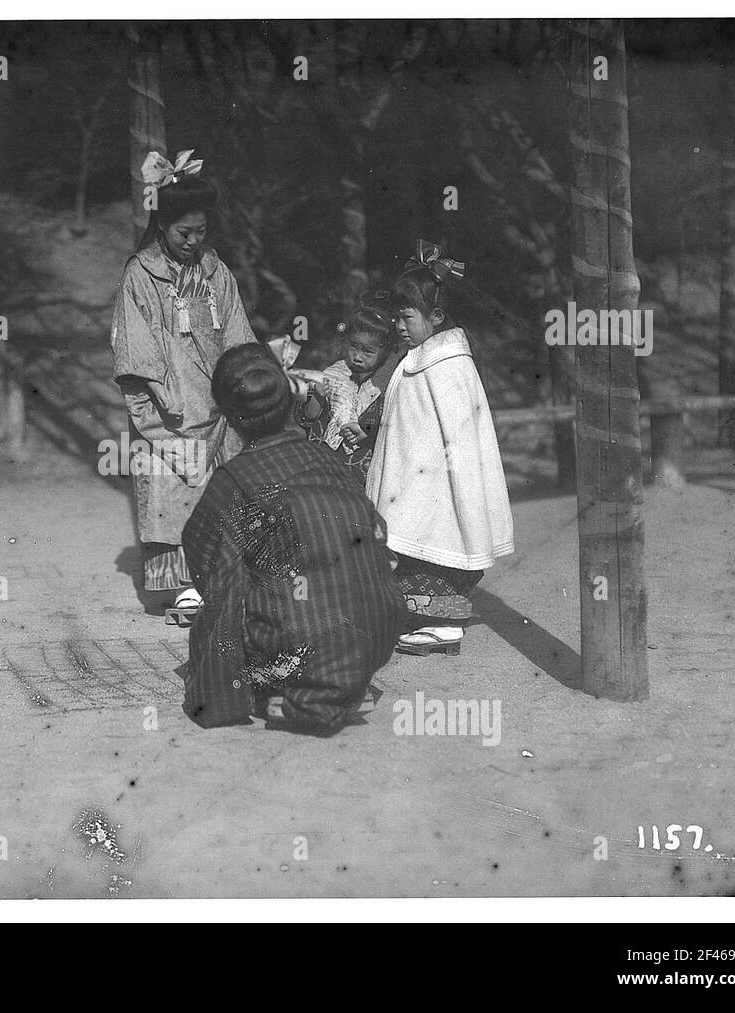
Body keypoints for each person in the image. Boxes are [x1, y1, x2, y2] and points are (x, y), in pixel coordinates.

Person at [182, 345, 404, 735]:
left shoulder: (234, 479)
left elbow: (204, 558)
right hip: (376, 631)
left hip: (300, 641)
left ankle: (284, 693)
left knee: (223, 593)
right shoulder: (328, 459)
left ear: (232, 419)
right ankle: (339, 680)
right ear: (288, 405)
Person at [109, 148, 260, 623]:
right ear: (160, 226)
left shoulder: (217, 272)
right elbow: (137, 353)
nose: (193, 242)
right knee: (172, 493)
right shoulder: (142, 275)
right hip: (169, 411)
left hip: (218, 407)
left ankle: (217, 579)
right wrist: (165, 405)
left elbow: (237, 336)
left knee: (220, 494)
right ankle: (181, 588)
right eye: (183, 233)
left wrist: (246, 380)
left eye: (201, 232)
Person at [365, 241, 514, 656]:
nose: (398, 324)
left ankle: (444, 625)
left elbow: (462, 437)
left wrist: (452, 485)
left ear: (436, 317)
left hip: (439, 487)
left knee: (436, 549)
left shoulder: (448, 366)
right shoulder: (417, 358)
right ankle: (422, 615)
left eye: (406, 316)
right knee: (412, 551)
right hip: (415, 481)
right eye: (395, 315)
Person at [296, 290, 407, 478]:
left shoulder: (386, 385)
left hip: (361, 470)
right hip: (323, 462)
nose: (357, 356)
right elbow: (308, 417)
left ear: (386, 350)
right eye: (353, 346)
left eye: (367, 352)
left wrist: (367, 431)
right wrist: (318, 397)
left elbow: (387, 423)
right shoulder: (335, 373)